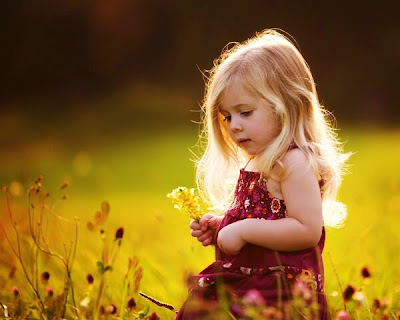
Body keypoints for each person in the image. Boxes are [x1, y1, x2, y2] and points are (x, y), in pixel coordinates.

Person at [176, 29, 350, 320]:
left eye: (245, 112)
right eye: (227, 116)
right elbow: (266, 221)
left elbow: (306, 230)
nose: (233, 126)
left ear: (286, 106)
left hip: (281, 292)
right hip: (249, 284)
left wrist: (243, 230)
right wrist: (222, 225)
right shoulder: (257, 162)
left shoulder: (294, 162)